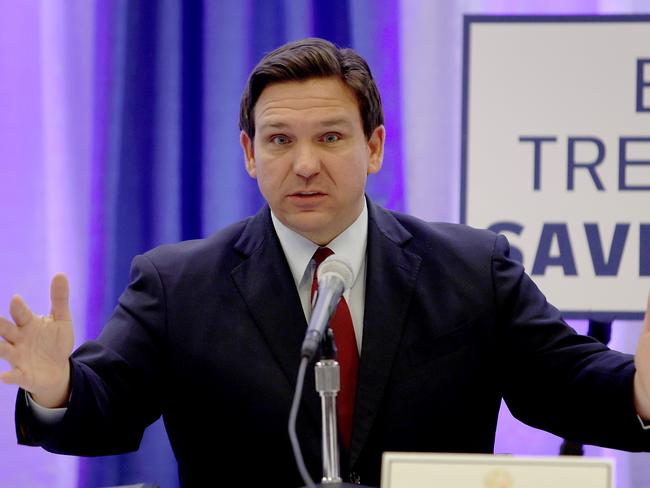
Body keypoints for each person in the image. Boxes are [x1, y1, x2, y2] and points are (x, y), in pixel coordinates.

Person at [1, 37, 650, 488]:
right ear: (250, 154)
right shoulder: (179, 284)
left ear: (373, 148)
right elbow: (105, 408)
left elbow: (569, 385)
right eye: (280, 140)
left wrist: (642, 391)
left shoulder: (473, 269)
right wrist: (55, 384)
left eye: (331, 137)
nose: (305, 163)